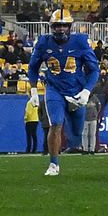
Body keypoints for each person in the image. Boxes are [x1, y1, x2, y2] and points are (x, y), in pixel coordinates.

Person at [26, 10, 99, 177]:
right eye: (57, 25)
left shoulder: (80, 41)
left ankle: (69, 147)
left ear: (70, 26)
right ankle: (53, 163)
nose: (60, 29)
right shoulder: (44, 42)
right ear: (51, 27)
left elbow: (94, 69)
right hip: (54, 89)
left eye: (64, 25)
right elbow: (33, 67)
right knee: (56, 123)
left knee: (76, 134)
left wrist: (87, 91)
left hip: (76, 90)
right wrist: (34, 90)